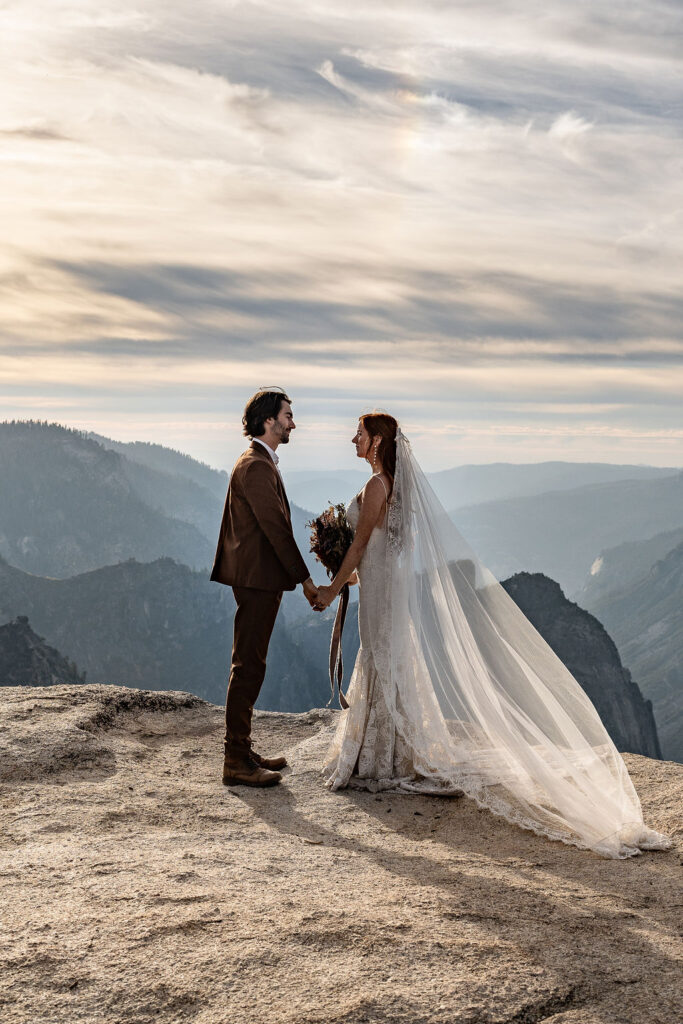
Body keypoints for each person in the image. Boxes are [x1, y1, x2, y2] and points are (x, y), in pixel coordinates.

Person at [313, 412, 670, 859]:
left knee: (379, 654)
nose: (353, 439)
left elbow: (362, 545)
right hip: (388, 587)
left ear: (378, 439)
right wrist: (349, 574)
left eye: (359, 434)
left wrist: (331, 586)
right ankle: (391, 751)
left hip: (382, 589)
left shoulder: (375, 487)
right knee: (388, 656)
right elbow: (384, 549)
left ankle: (380, 754)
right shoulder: (396, 488)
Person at [211, 388, 319, 787]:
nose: (293, 422)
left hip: (257, 578)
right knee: (248, 666)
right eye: (288, 415)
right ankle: (235, 759)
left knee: (251, 662)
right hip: (256, 579)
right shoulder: (256, 466)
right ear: (268, 420)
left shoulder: (259, 461)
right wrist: (306, 581)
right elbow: (276, 529)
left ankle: (242, 748)